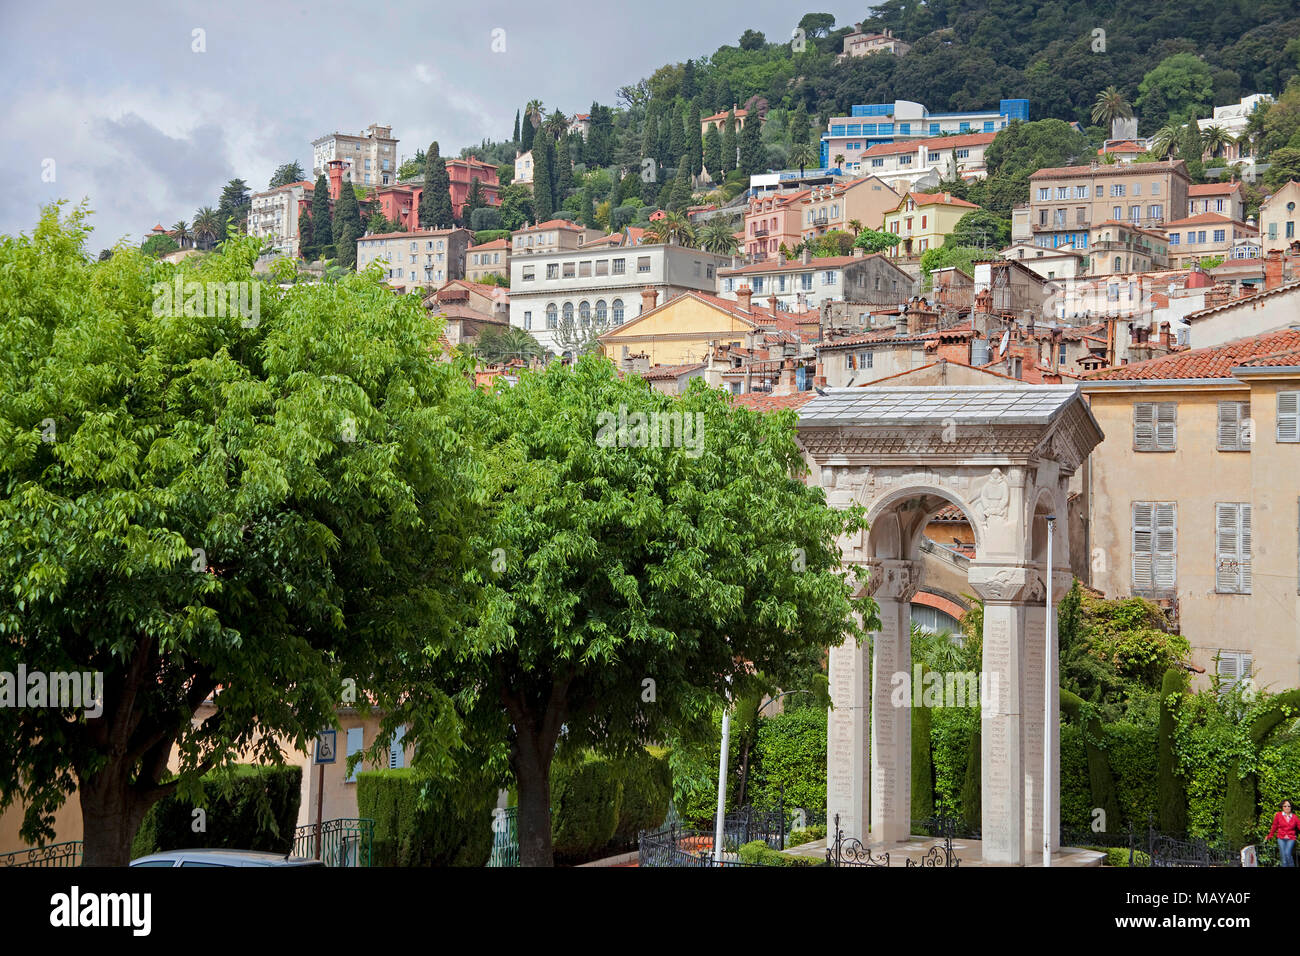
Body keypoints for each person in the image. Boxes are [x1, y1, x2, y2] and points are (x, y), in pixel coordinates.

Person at [1267, 799, 1299, 866]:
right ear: (1282, 807)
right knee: (1283, 857)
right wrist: (1270, 835)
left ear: (1291, 807)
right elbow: (1274, 826)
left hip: (1291, 838)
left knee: (1287, 854)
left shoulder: (1295, 817)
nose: (1287, 808)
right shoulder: (1278, 815)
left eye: (1288, 806)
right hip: (1281, 838)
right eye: (1285, 806)